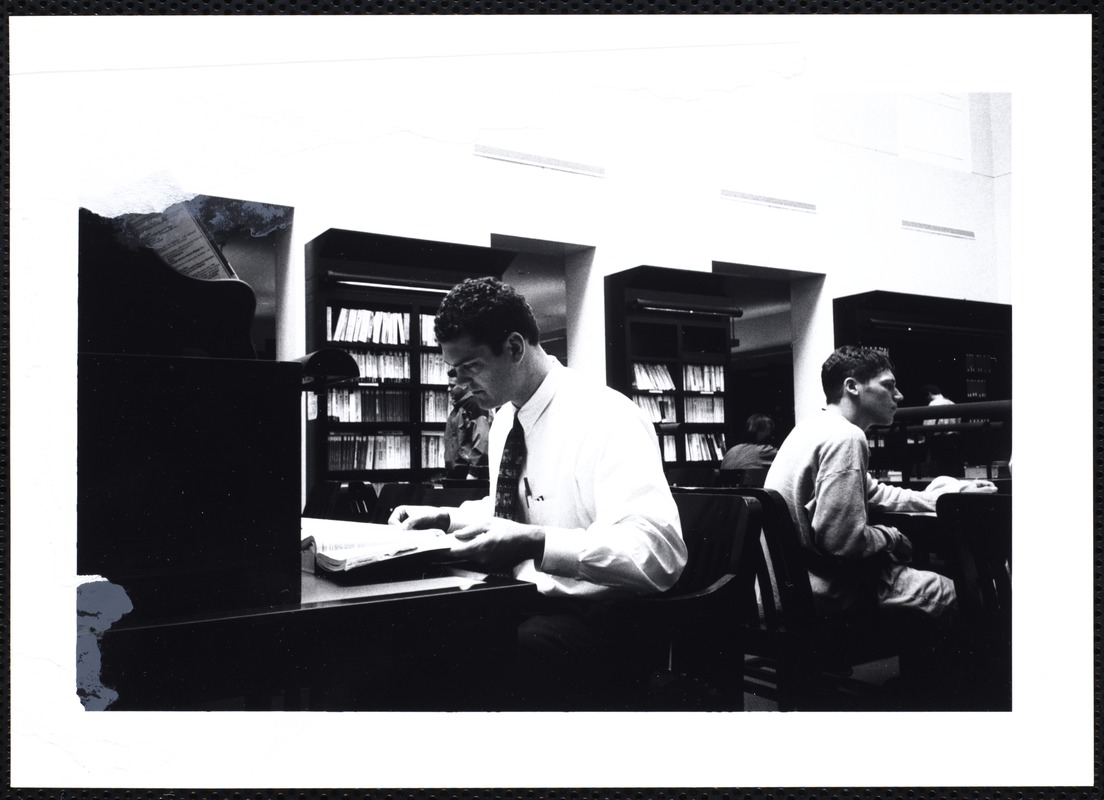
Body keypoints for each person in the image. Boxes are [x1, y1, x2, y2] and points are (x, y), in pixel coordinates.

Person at [390, 276, 686, 709]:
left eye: (470, 367)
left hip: (602, 621)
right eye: (454, 371)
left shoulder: (607, 417)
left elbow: (657, 552)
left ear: (514, 347)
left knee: (469, 655)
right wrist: (446, 518)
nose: (460, 385)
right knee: (416, 632)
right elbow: (518, 506)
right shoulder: (508, 418)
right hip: (527, 602)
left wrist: (536, 543)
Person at [763, 347, 997, 708]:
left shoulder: (813, 428)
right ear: (852, 387)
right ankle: (945, 701)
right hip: (828, 590)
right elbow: (842, 541)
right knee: (961, 595)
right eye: (889, 386)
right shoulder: (847, 438)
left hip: (789, 587)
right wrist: (892, 537)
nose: (900, 396)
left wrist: (938, 498)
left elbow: (872, 491)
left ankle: (920, 688)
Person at [442, 372, 492, 479]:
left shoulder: (474, 405)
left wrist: (474, 473)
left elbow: (482, 441)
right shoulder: (460, 407)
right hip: (457, 473)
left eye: (452, 386)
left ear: (464, 385)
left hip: (468, 475)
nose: (448, 389)